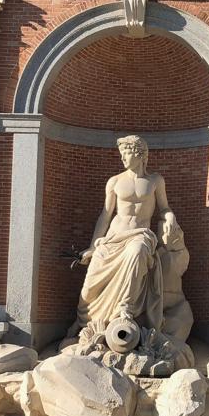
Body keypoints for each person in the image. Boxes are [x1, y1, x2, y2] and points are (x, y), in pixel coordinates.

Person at [71, 135, 179, 338]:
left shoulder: (155, 181)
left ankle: (125, 309)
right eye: (121, 154)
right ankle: (83, 323)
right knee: (88, 290)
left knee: (137, 252)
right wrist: (93, 247)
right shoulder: (115, 181)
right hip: (114, 237)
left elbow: (164, 208)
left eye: (126, 153)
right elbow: (105, 215)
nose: (122, 158)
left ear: (139, 154)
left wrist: (170, 216)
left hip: (140, 236)